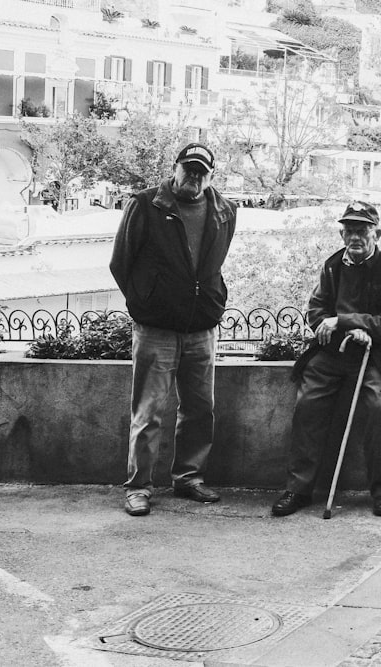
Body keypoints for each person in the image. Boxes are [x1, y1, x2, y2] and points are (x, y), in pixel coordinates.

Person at [110, 142, 237, 517]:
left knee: (200, 408)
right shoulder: (147, 204)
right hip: (156, 328)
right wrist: (147, 301)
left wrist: (211, 303)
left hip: (201, 327)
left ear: (211, 176)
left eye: (202, 172)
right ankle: (139, 487)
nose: (194, 177)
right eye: (188, 169)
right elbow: (121, 262)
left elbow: (214, 263)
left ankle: (188, 478)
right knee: (148, 412)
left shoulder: (224, 210)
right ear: (176, 168)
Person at [272, 201, 381, 518]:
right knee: (308, 405)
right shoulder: (332, 266)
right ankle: (299, 488)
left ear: (377, 233)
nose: (355, 237)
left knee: (378, 409)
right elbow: (316, 311)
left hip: (375, 356)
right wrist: (329, 326)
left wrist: (351, 324)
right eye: (349, 231)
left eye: (362, 230)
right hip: (333, 353)